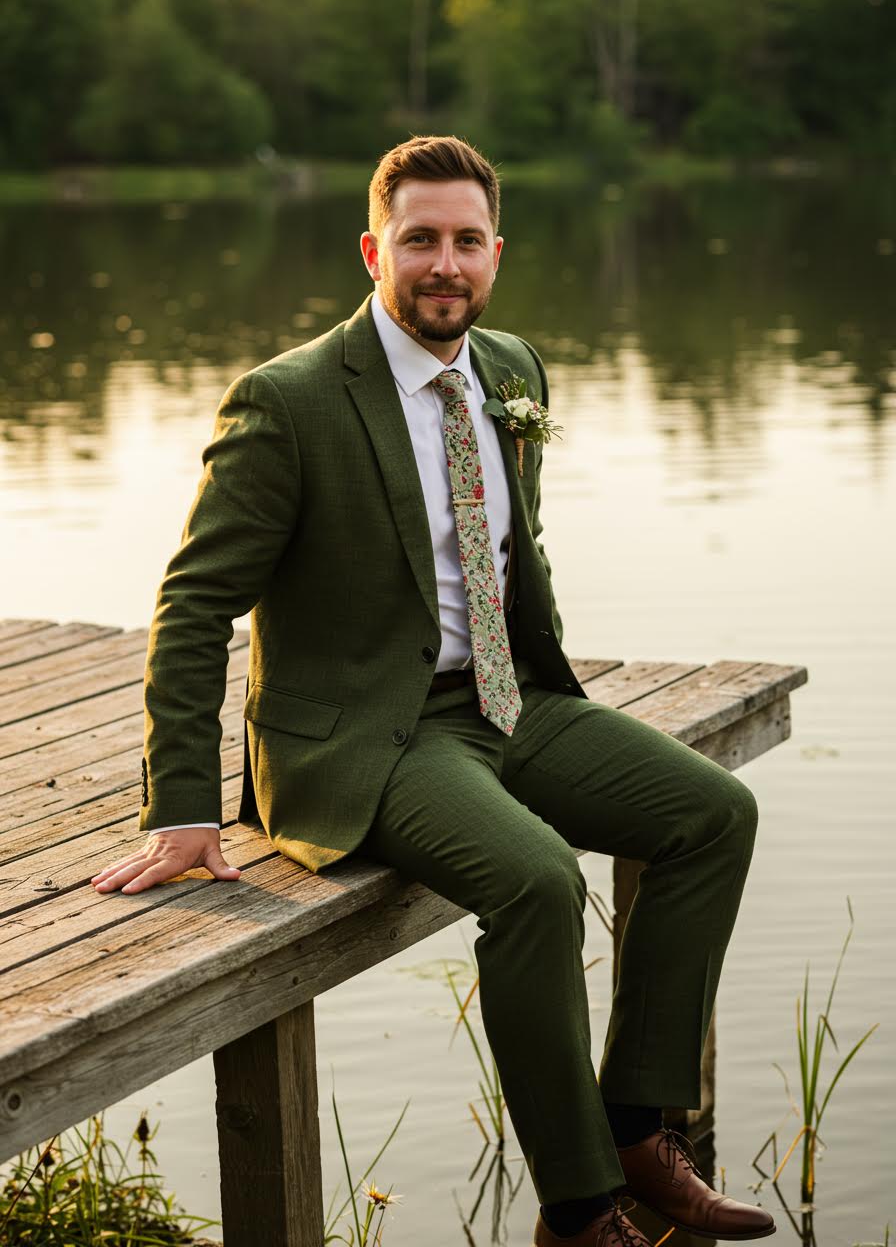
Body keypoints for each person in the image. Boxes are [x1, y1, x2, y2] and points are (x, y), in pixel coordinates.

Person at [91, 136, 775, 1247]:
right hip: (366, 736)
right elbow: (193, 603)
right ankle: (576, 1203)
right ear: (374, 248)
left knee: (712, 812)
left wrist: (538, 683)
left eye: (465, 241)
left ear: (495, 254)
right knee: (538, 878)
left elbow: (513, 553)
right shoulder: (290, 400)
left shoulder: (511, 370)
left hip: (507, 702)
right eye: (419, 239)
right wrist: (180, 802)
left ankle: (642, 1126)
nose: (442, 263)